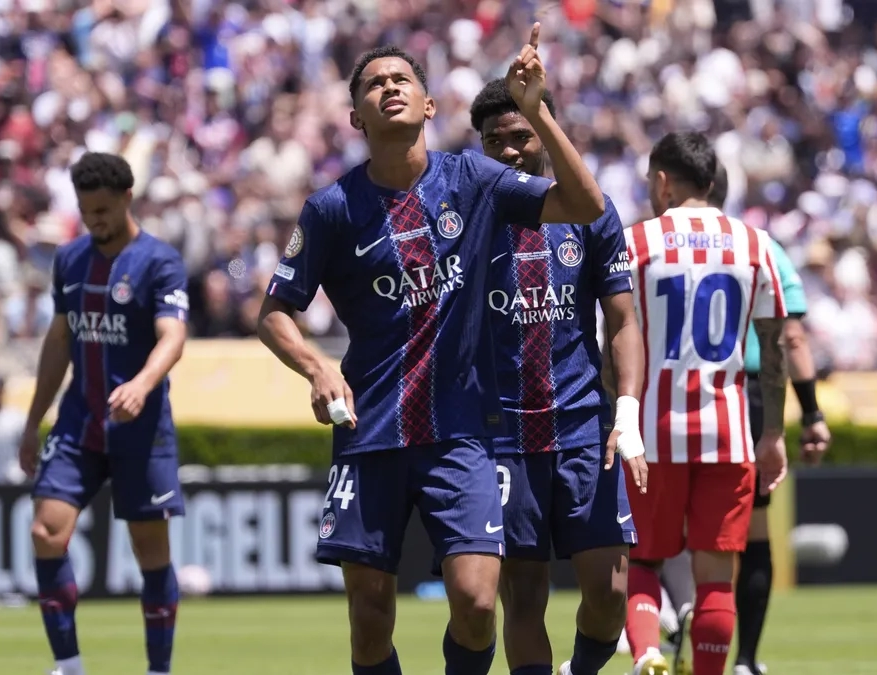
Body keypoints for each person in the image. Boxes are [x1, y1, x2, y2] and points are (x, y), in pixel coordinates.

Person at [257, 25, 605, 675]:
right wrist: (317, 365)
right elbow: (274, 310)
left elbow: (584, 206)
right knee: (369, 617)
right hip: (369, 433)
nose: (388, 87)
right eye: (372, 84)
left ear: (428, 105)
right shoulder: (333, 208)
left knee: (477, 604)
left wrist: (536, 113)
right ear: (356, 116)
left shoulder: (473, 179)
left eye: (401, 80)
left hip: (462, 437)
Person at [468, 77, 647, 675]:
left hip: (581, 429)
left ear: (545, 131)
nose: (511, 150)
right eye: (496, 141)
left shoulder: (589, 212)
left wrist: (627, 412)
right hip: (502, 437)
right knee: (525, 594)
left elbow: (622, 321)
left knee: (611, 593)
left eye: (522, 135)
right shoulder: (469, 216)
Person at [620, 132, 789, 675]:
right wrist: (774, 434)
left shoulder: (637, 243)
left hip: (652, 432)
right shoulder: (755, 244)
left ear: (663, 182)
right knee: (717, 575)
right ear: (712, 182)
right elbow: (777, 344)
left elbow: (614, 341)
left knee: (641, 558)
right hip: (729, 432)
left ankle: (647, 654)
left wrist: (616, 414)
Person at [654, 165, 832, 675]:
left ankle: (669, 623)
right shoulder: (761, 246)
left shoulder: (658, 243)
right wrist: (812, 413)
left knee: (663, 532)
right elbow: (791, 337)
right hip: (744, 399)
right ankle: (745, 660)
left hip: (671, 396)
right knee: (749, 538)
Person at [18, 152, 191, 675]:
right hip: (80, 421)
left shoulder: (159, 261)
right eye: (84, 209)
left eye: (101, 209)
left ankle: (158, 670)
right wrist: (32, 421)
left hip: (141, 428)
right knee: (46, 531)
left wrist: (141, 384)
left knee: (150, 554)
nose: (93, 219)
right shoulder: (69, 260)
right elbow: (59, 340)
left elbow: (174, 335)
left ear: (126, 200)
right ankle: (69, 666)